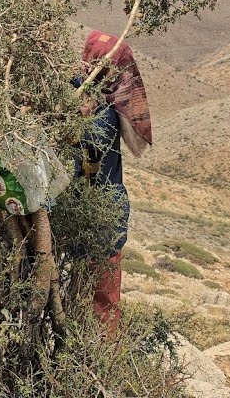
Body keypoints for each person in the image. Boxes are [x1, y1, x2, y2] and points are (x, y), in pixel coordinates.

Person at [76, 30, 154, 336]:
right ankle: (99, 358)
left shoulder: (77, 98)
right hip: (100, 217)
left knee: (84, 293)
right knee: (103, 300)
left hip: (85, 212)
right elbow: (91, 166)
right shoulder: (103, 112)